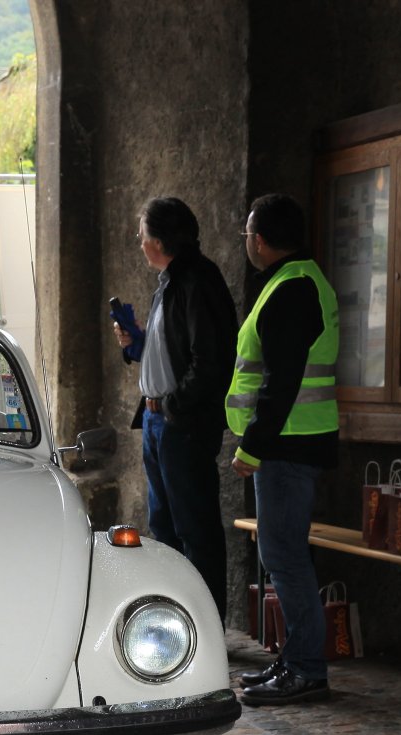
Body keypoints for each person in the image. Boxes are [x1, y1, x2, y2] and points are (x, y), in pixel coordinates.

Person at [227, 193, 339, 706]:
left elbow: (282, 380)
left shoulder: (292, 288)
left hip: (288, 444)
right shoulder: (296, 280)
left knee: (285, 557)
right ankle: (296, 659)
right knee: (283, 554)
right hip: (292, 441)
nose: (247, 242)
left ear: (261, 240)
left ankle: (306, 669)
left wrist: (253, 446)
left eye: (248, 234)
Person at [111, 196, 236, 614]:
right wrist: (137, 344)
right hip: (157, 420)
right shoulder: (170, 282)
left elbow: (210, 360)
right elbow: (171, 351)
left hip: (181, 422)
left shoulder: (198, 281)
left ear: (159, 242)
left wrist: (175, 405)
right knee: (163, 527)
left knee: (195, 529)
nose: (139, 242)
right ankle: (175, 622)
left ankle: (207, 625)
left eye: (142, 235)